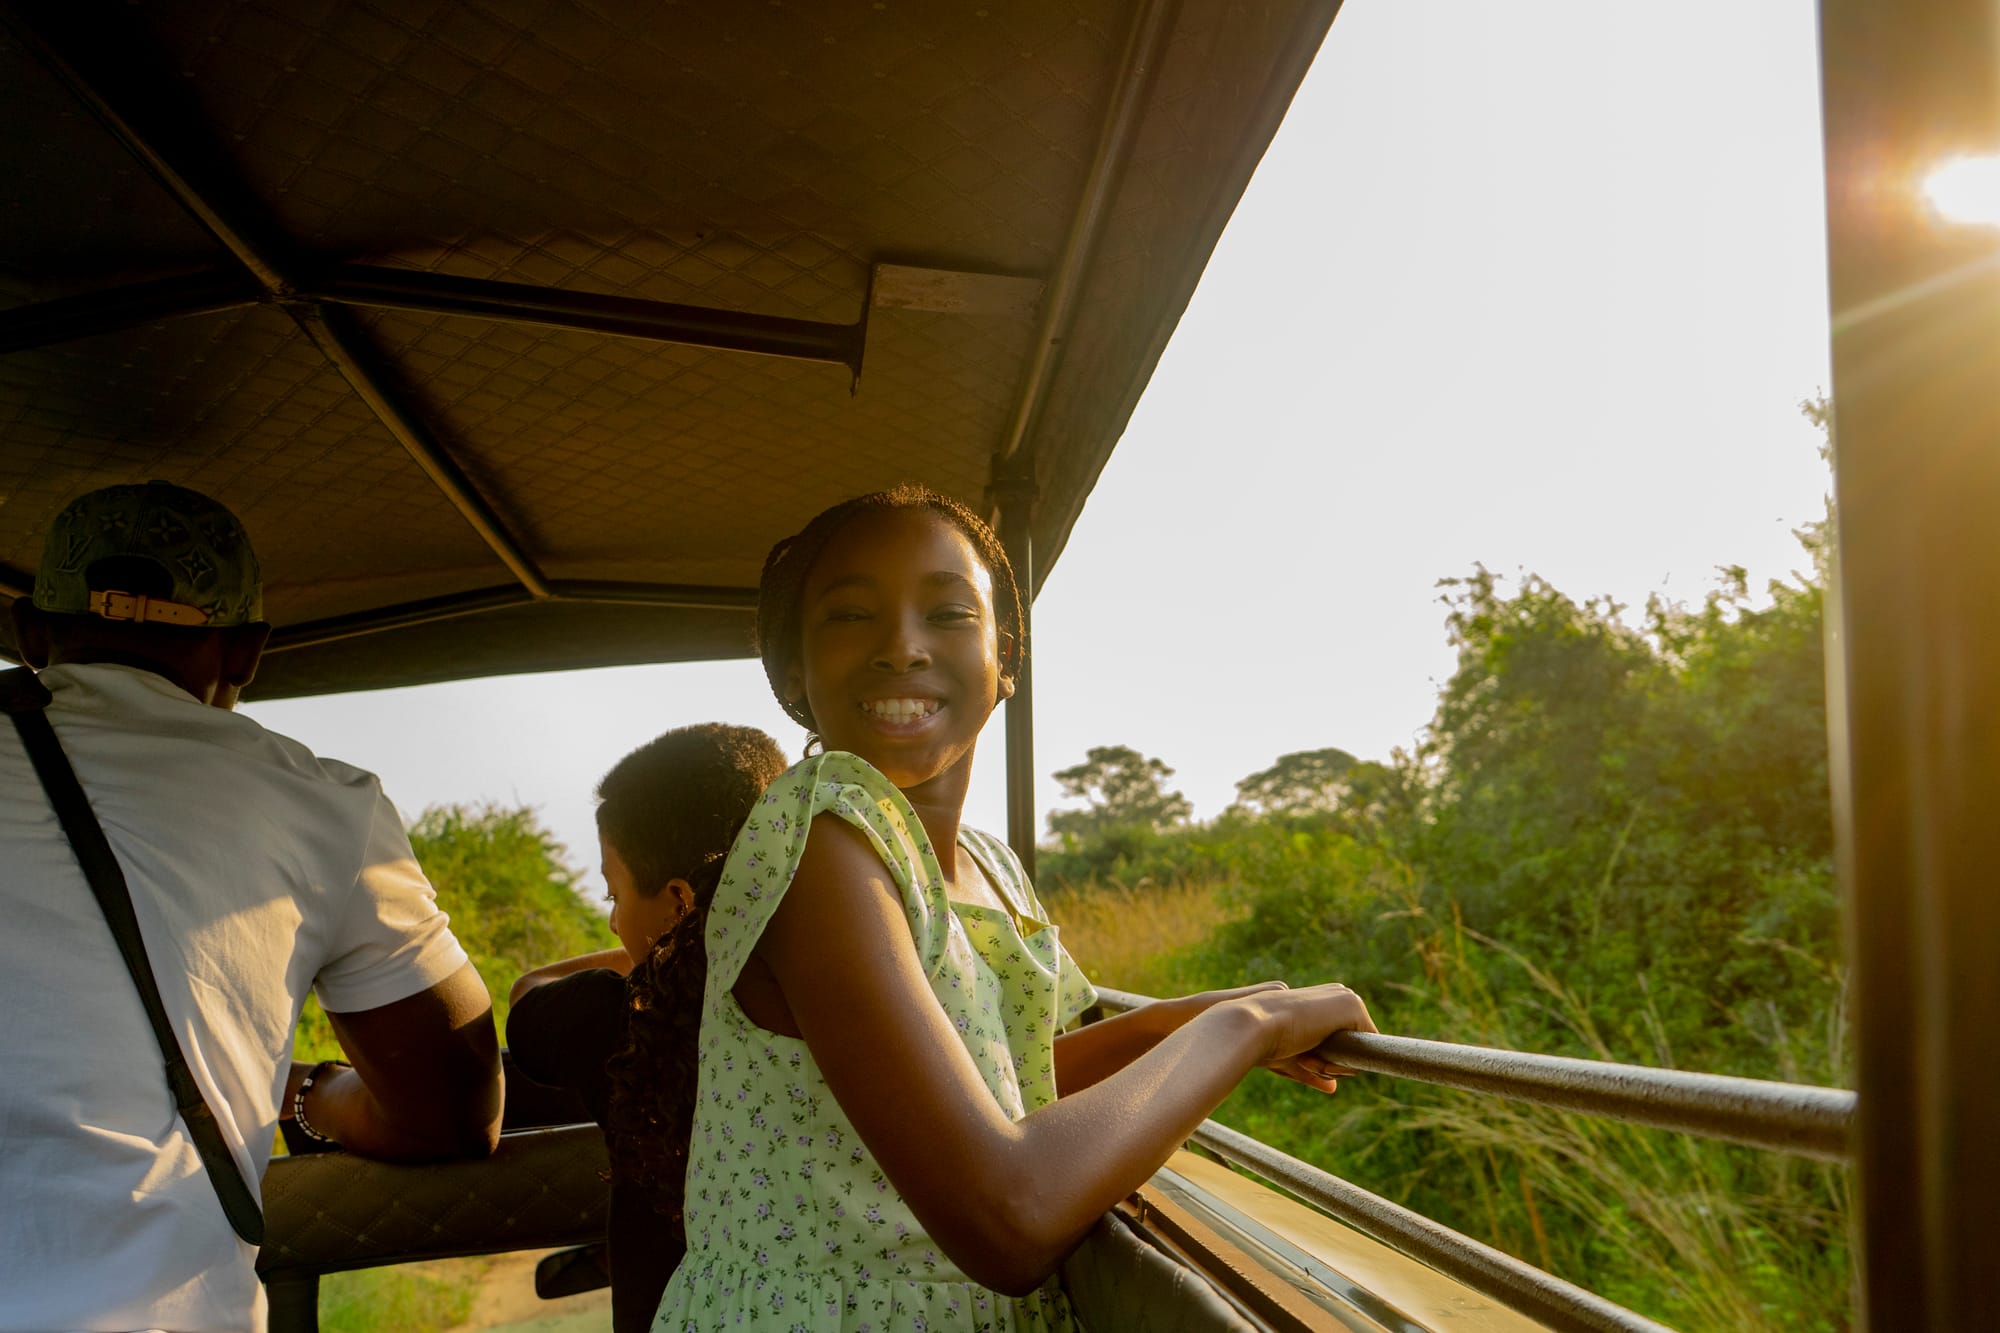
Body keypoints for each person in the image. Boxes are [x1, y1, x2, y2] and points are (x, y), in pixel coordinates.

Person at [651, 485, 1377, 1332]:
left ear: (1006, 658)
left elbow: (1011, 1080)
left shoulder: (990, 867)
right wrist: (1242, 1027)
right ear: (792, 671)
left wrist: (1204, 1013)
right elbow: (1010, 1218)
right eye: (851, 615)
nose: (902, 646)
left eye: (949, 613)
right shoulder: (819, 843)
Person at [0, 481, 502, 1333]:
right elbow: (455, 1110)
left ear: (30, 635)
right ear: (246, 653)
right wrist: (305, 1094)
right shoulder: (326, 805)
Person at [508, 722, 788, 1333]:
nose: (613, 923)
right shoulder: (833, 1015)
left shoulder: (627, 1022)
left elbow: (527, 995)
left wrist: (664, 952)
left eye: (613, 894)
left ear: (682, 903)